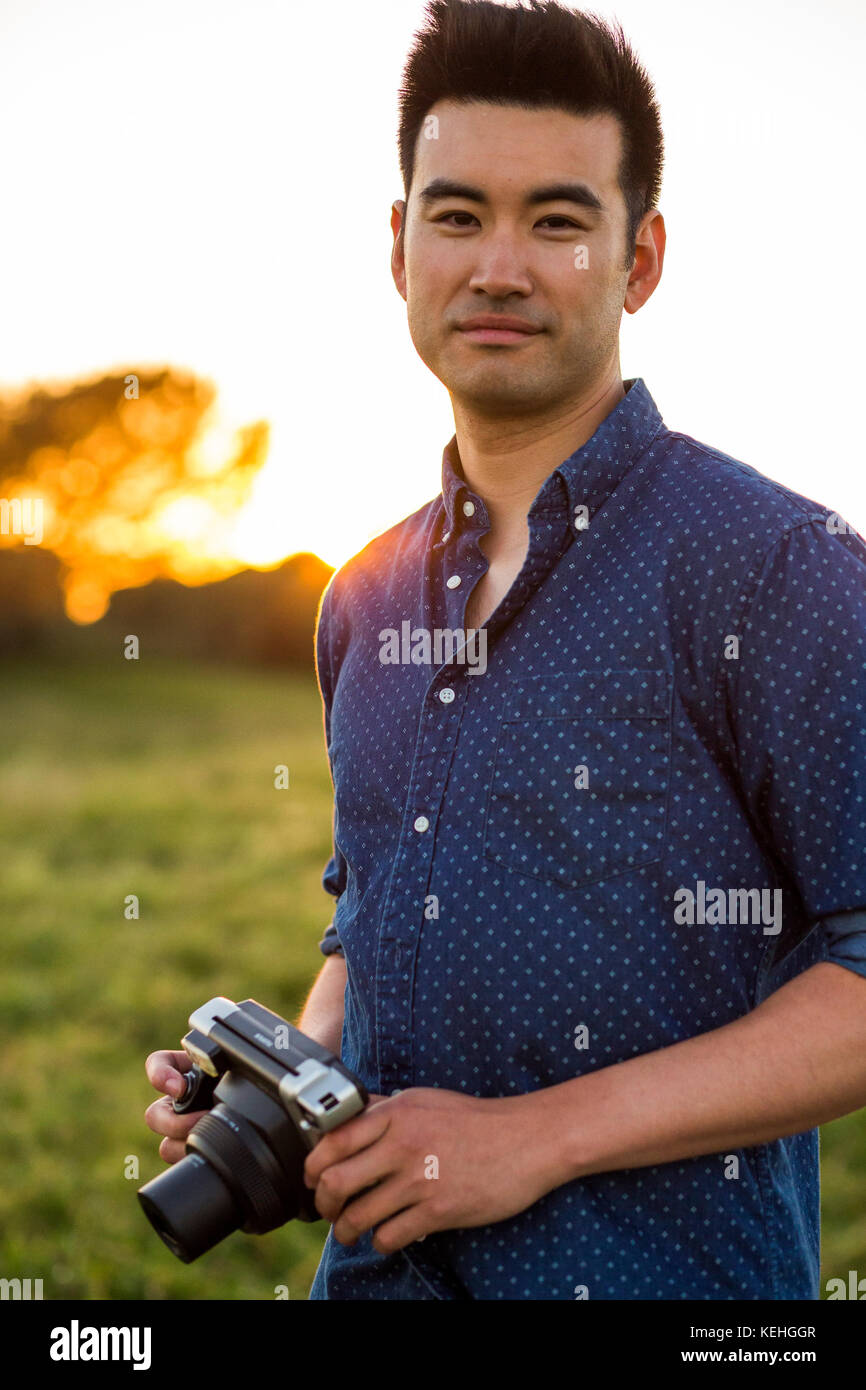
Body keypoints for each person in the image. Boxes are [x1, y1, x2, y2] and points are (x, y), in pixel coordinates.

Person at [145, 0, 866, 1300]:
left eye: (556, 219)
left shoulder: (777, 564)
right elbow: (367, 927)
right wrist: (273, 1098)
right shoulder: (360, 597)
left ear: (638, 258)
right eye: (458, 212)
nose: (497, 267)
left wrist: (529, 1140)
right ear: (398, 244)